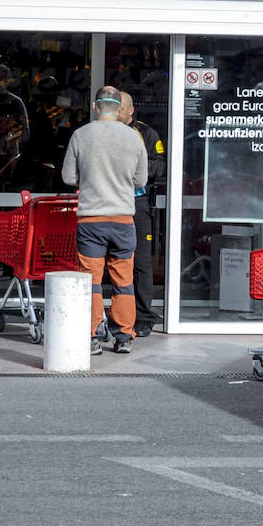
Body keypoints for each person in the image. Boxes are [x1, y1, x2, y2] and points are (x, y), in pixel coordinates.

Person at [61, 86, 148, 355]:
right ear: (119, 108)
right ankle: (123, 336)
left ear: (96, 106)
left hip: (91, 221)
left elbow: (68, 178)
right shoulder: (134, 138)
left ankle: (91, 336)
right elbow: (141, 181)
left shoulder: (81, 135)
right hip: (123, 220)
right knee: (123, 280)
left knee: (91, 280)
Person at [117, 90, 165, 337]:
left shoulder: (146, 133)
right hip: (110, 204)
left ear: (130, 110)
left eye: (120, 107)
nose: (115, 112)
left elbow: (159, 164)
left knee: (142, 262)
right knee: (109, 262)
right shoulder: (104, 132)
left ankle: (144, 316)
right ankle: (115, 317)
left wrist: (136, 167)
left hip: (138, 206)